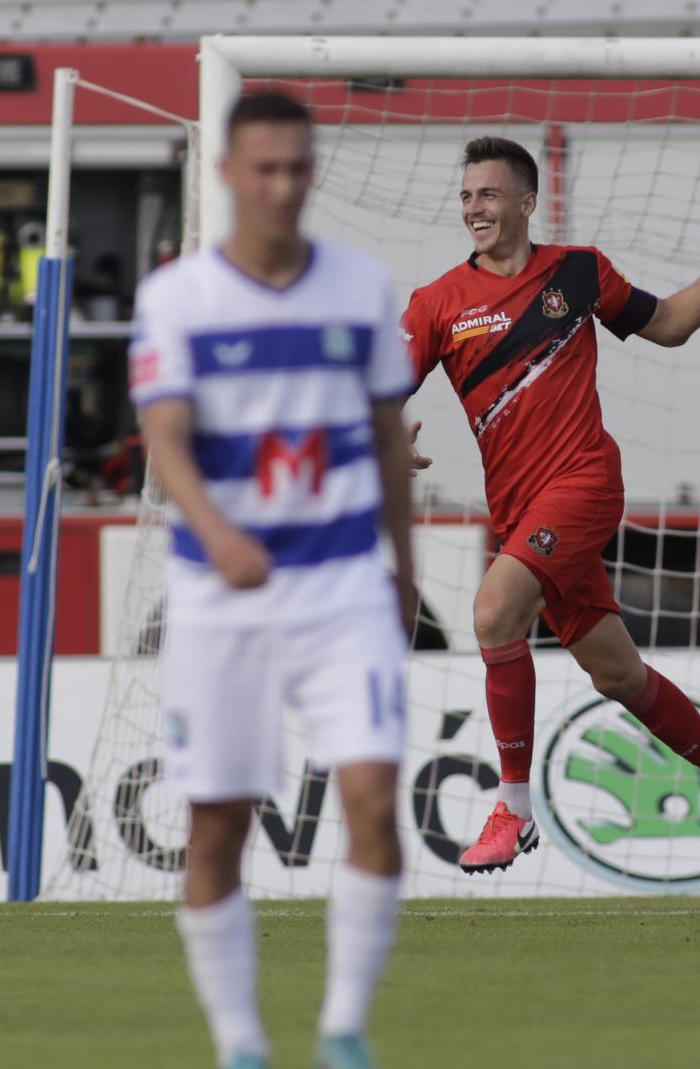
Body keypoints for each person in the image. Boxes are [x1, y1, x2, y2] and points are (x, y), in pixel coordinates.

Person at [399, 137, 700, 875]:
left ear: (526, 202)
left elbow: (669, 324)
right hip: (518, 511)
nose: (474, 208)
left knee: (491, 613)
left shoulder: (577, 272)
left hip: (583, 483)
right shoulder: (436, 303)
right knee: (619, 675)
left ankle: (514, 806)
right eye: (466, 196)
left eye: (488, 194)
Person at [130, 92, 415, 1069]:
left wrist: (402, 579)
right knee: (216, 826)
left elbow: (385, 442)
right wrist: (220, 536)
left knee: (376, 799)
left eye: (298, 168)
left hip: (342, 588)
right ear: (227, 174)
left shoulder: (361, 288)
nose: (284, 186)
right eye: (264, 169)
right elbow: (165, 443)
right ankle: (242, 1043)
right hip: (223, 598)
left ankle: (341, 1030)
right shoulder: (179, 299)